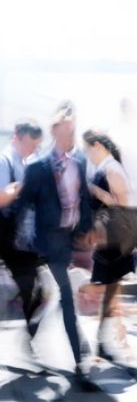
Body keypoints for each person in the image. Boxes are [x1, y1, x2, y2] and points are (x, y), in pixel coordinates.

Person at [16, 108, 97, 389]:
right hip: (47, 244)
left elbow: (83, 198)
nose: (71, 137)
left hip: (68, 241)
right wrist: (19, 239)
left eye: (73, 131)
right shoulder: (37, 168)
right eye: (66, 132)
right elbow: (23, 204)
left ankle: (29, 334)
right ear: (54, 133)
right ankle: (80, 367)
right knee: (67, 299)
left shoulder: (80, 163)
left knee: (57, 300)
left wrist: (86, 228)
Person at [82, 129, 136, 361]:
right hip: (109, 238)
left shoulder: (112, 168)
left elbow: (122, 205)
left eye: (88, 149)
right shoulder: (105, 168)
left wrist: (96, 192)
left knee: (107, 288)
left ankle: (106, 342)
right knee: (110, 289)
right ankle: (112, 339)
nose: (87, 155)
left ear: (98, 146)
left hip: (115, 239)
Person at [0, 120, 44, 343]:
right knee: (30, 288)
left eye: (37, 146)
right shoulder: (4, 161)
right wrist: (19, 189)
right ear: (17, 136)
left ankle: (30, 342)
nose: (34, 149)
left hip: (18, 238)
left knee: (32, 289)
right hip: (7, 236)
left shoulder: (26, 162)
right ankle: (31, 343)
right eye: (31, 144)